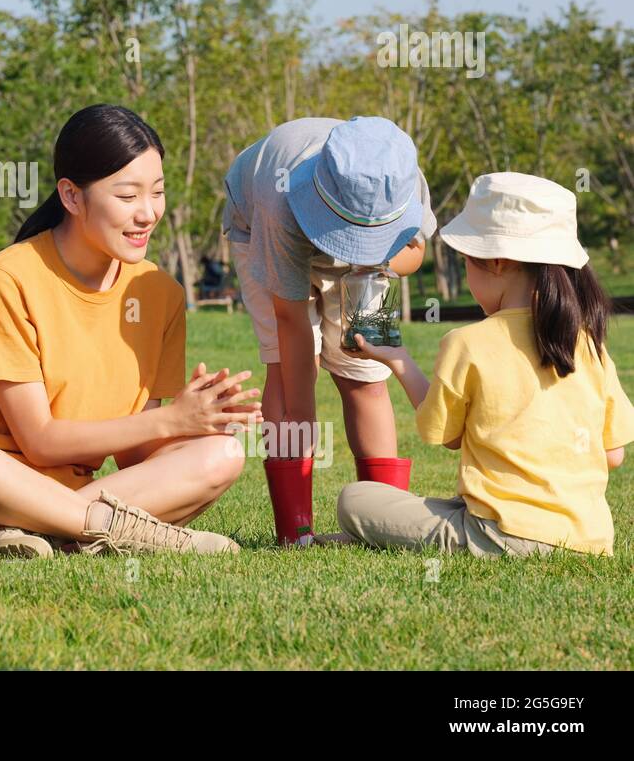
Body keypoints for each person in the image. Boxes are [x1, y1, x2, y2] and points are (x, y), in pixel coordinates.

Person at [0, 104, 262, 559]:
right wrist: (170, 420)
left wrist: (197, 421)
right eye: (128, 197)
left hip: (74, 498)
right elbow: (40, 441)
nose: (148, 213)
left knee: (222, 454)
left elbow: (135, 453)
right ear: (71, 196)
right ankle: (111, 531)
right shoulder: (7, 278)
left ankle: (54, 532)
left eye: (158, 193)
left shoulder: (160, 294)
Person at [339, 173, 634, 556]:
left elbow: (448, 436)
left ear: (496, 261)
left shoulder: (468, 342)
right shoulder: (589, 344)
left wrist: (401, 363)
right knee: (443, 507)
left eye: (467, 262)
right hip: (588, 540)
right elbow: (613, 454)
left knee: (355, 499)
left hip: (499, 535)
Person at [222, 116, 437, 544]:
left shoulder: (402, 176)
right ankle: (295, 530)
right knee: (286, 369)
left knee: (367, 373)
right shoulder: (279, 200)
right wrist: (303, 425)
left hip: (370, 269)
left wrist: (373, 262)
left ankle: (387, 527)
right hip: (261, 232)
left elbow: (414, 253)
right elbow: (291, 319)